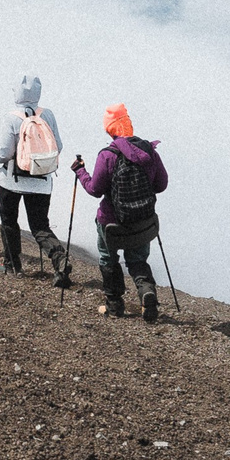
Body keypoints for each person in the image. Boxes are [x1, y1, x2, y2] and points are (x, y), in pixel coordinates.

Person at [72, 104, 167, 321]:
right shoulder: (148, 151)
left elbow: (95, 190)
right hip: (143, 221)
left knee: (108, 258)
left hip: (112, 224)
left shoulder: (108, 155)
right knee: (137, 260)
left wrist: (80, 171)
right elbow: (161, 184)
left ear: (110, 129)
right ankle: (147, 294)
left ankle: (114, 306)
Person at [0, 75, 69, 283]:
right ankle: (59, 258)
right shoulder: (47, 115)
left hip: (11, 180)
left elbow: (4, 153)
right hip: (41, 181)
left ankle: (12, 266)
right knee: (40, 226)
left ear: (17, 92)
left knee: (9, 222)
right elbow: (57, 146)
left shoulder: (11, 118)